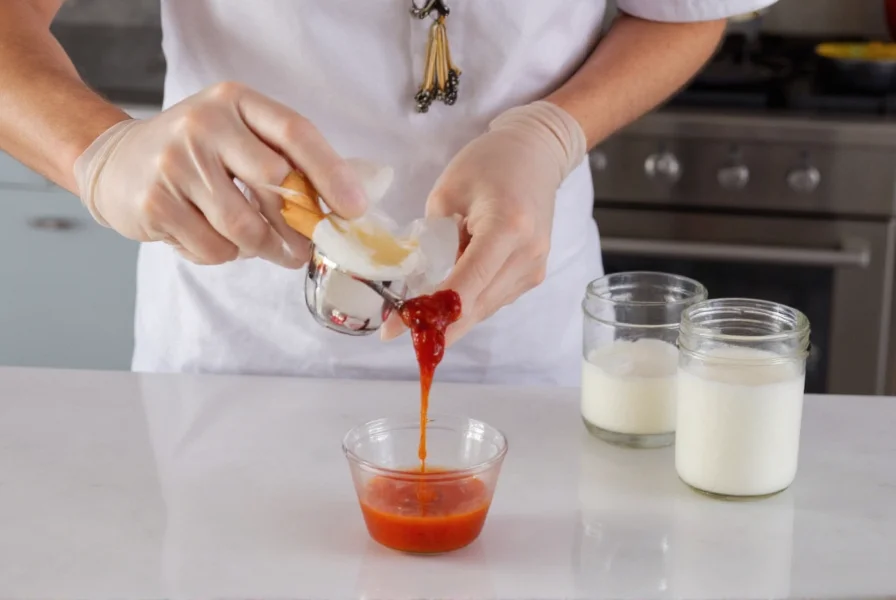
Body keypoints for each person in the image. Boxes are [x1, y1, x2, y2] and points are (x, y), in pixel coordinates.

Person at [0, 1, 777, 385]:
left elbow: (682, 11)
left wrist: (550, 132)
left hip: (519, 332)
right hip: (234, 347)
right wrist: (97, 152)